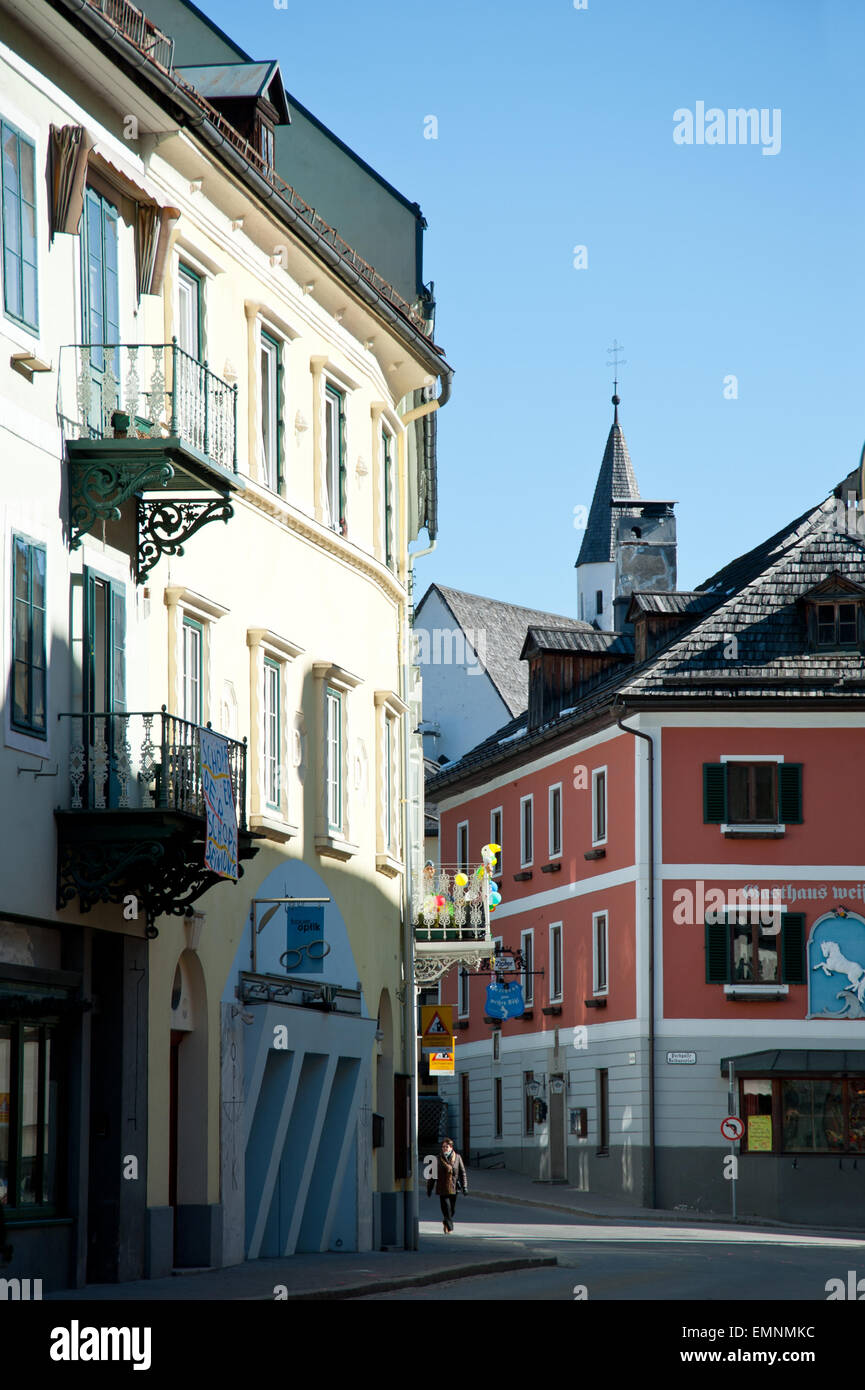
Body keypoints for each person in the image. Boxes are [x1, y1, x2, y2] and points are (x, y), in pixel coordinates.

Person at [426, 1136, 467, 1233]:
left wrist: (464, 1186)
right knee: (446, 1208)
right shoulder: (437, 1159)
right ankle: (450, 1227)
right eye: (443, 1147)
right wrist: (429, 1189)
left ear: (451, 1148)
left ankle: (446, 1221)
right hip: (442, 1188)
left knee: (452, 1210)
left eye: (446, 1147)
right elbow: (432, 1175)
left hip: (454, 1187)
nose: (444, 1149)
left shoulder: (457, 1158)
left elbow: (462, 1173)